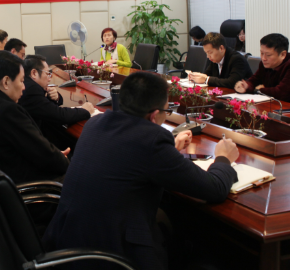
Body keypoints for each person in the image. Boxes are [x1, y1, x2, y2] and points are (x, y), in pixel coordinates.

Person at [42, 72, 239, 270]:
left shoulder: (95, 123)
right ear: (154, 115)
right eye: (166, 111)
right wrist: (223, 158)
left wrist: (169, 149)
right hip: (111, 257)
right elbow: (214, 188)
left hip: (64, 244)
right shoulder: (152, 141)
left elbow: (129, 152)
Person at [0, 51, 70, 183]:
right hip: (28, 181)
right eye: (22, 81)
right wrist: (65, 162)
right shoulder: (7, 111)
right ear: (6, 81)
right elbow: (41, 152)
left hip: (3, 175)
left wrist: (54, 155)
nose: (24, 87)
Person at [18, 55, 93, 151]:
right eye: (47, 73)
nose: (49, 78)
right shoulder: (31, 89)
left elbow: (45, 106)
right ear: (34, 73)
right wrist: (85, 110)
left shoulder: (30, 84)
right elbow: (60, 115)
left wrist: (56, 97)